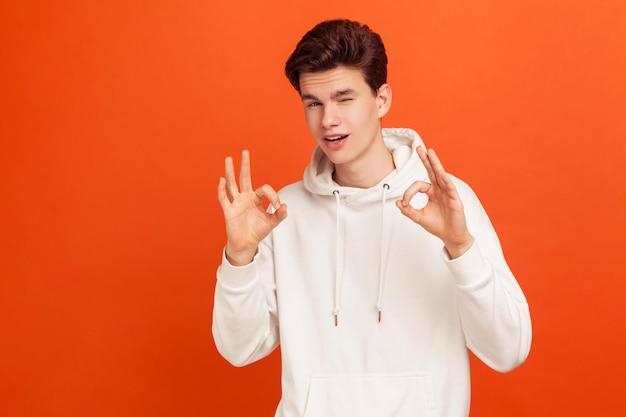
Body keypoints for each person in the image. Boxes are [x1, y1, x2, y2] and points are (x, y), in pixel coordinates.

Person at [213, 18, 531, 417]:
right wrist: (239, 257)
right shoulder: (283, 213)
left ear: (381, 100)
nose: (327, 119)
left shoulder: (446, 203)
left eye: (344, 98)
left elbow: (509, 350)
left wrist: (461, 248)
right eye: (313, 102)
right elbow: (239, 349)